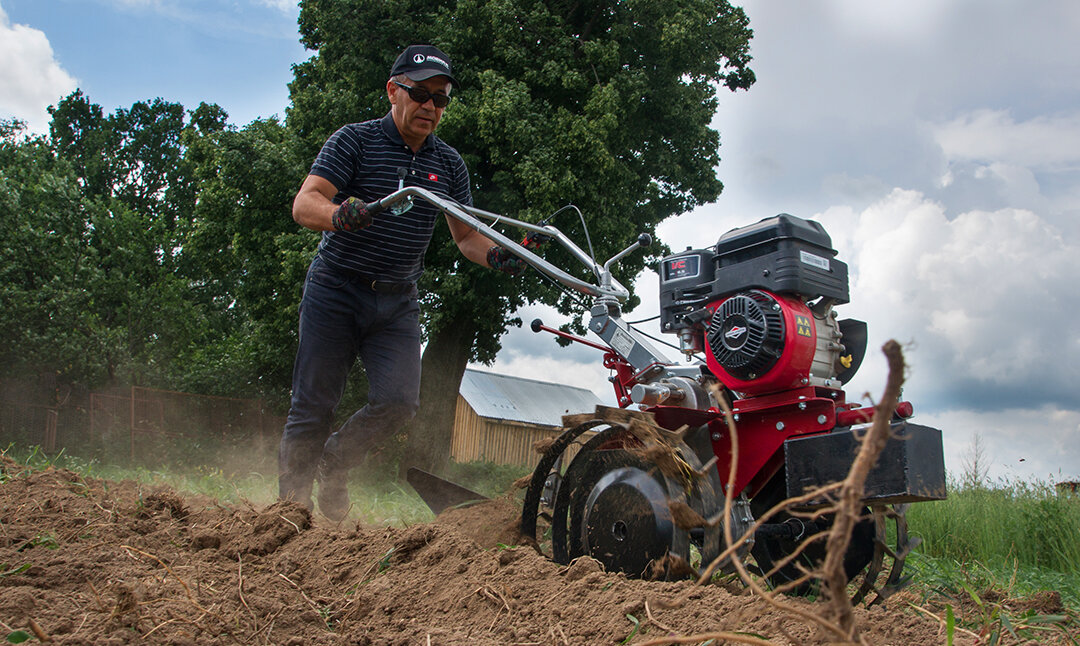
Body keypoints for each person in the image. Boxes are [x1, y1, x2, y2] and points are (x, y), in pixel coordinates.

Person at [280, 44, 531, 520]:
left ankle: (335, 463)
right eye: (421, 95)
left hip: (396, 302)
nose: (431, 107)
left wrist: (499, 256)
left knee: (398, 403)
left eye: (441, 99)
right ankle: (289, 514)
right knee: (314, 403)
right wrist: (339, 214)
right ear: (394, 91)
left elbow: (465, 237)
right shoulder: (353, 141)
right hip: (336, 288)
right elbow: (305, 203)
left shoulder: (449, 165)